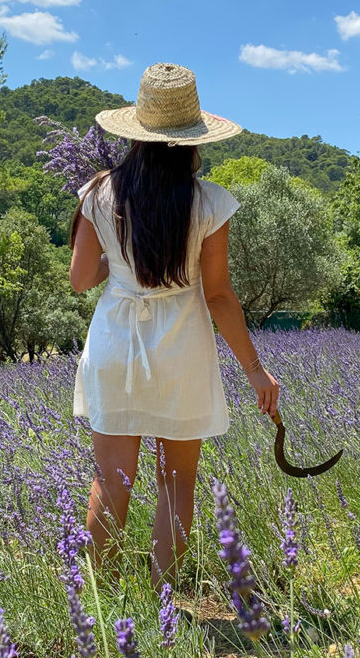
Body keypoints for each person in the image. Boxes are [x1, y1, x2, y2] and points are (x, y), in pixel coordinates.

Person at [69, 63, 279, 588]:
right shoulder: (208, 201)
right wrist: (256, 372)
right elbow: (219, 296)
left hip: (116, 339)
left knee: (110, 480)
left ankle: (104, 604)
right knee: (176, 483)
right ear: (191, 138)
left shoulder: (99, 192)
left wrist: (119, 263)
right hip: (181, 345)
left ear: (136, 134)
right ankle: (166, 604)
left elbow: (79, 280)